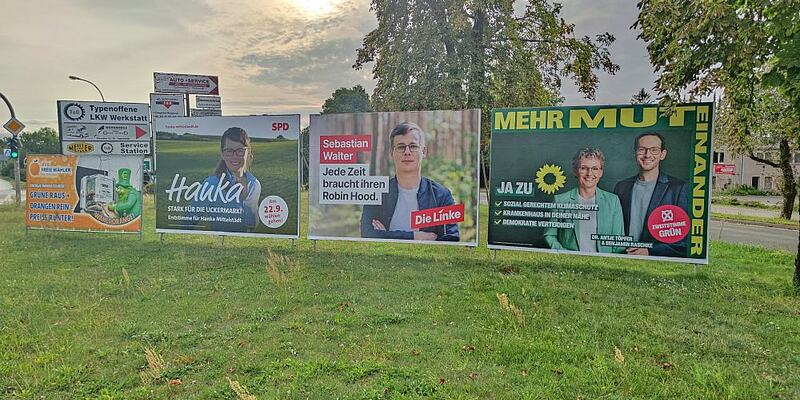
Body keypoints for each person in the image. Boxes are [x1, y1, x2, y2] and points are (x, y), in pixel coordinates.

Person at [360, 122, 459, 241]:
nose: (407, 152)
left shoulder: (441, 195)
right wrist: (415, 236)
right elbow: (367, 234)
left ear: (424, 152)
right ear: (392, 152)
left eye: (413, 146)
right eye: (401, 147)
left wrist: (387, 235)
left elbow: (451, 239)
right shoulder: (377, 193)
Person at [613, 132, 689, 257]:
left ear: (663, 154)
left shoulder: (678, 188)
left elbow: (684, 239)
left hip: (655, 261)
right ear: (635, 153)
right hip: (623, 256)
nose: (647, 155)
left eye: (654, 150)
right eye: (642, 150)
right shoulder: (621, 187)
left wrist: (650, 251)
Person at [543, 148, 624, 253]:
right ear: (575, 171)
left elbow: (618, 241)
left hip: (604, 261)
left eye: (595, 168)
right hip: (571, 261)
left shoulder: (613, 201)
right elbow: (550, 234)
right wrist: (564, 254)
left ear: (601, 172)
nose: (589, 173)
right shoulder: (560, 200)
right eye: (584, 168)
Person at [189, 127, 261, 232]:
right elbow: (187, 222)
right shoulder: (211, 184)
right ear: (222, 154)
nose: (235, 156)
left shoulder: (255, 185)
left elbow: (253, 225)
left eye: (240, 151)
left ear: (248, 152)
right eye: (229, 151)